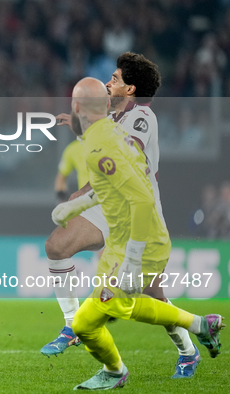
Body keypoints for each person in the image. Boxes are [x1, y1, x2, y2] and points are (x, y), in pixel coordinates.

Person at [55, 77, 224, 390]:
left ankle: (186, 345)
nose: (109, 82)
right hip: (120, 217)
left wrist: (82, 196)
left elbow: (125, 166)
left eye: (116, 79)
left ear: (130, 89)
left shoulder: (141, 118)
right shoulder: (112, 121)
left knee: (143, 295)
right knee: (133, 296)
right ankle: (192, 340)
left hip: (141, 219)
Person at [55, 138, 88, 203]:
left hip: (108, 198)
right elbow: (61, 177)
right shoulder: (73, 149)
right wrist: (61, 200)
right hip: (87, 201)